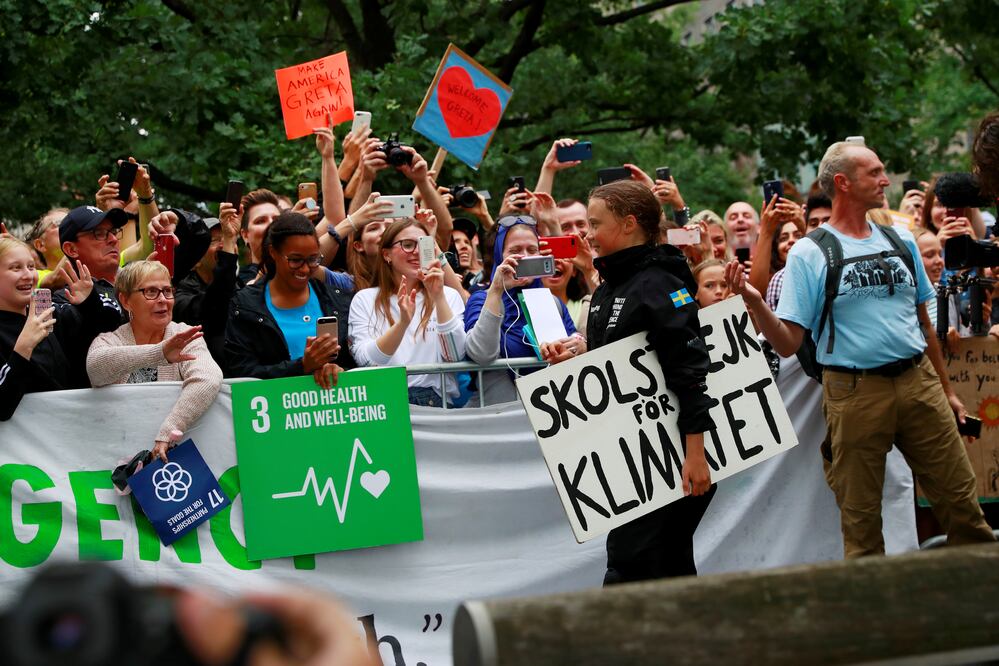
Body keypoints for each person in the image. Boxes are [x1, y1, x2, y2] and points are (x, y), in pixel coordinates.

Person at [725, 140, 995, 558]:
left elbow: (924, 322)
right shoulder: (809, 252)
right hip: (854, 393)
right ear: (843, 183)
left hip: (918, 381)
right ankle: (872, 619)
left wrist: (946, 390)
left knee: (963, 508)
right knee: (862, 526)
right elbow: (789, 343)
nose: (885, 180)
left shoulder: (900, 238)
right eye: (875, 172)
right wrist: (756, 303)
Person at [582, 180, 716, 584]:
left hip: (673, 458)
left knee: (635, 565)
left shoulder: (660, 281)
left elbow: (689, 370)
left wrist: (696, 455)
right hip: (633, 458)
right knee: (661, 567)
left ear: (628, 224)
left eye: (594, 223)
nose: (587, 234)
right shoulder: (609, 285)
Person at [87, 261, 222, 462]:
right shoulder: (110, 340)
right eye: (151, 292)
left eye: (167, 291)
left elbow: (208, 379)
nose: (163, 300)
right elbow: (96, 369)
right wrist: (161, 352)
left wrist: (168, 433)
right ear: (125, 301)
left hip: (175, 458)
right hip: (114, 458)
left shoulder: (183, 335)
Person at [464, 215, 582, 405]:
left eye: (532, 250)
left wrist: (577, 346)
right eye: (515, 250)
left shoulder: (551, 301)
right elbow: (481, 354)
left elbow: (574, 344)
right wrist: (496, 290)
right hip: (499, 420)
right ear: (499, 256)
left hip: (551, 415)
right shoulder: (482, 299)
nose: (525, 256)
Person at [0, 237, 121, 420]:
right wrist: (23, 348)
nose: (28, 275)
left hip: (73, 432)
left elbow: (111, 332)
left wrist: (89, 303)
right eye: (15, 268)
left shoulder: (49, 311)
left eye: (31, 267)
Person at [348, 218, 465, 406]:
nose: (417, 251)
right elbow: (367, 361)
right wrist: (402, 324)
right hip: (384, 401)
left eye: (423, 244)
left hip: (434, 402)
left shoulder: (448, 295)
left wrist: (438, 297)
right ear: (386, 254)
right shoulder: (365, 299)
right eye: (407, 245)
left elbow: (455, 355)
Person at [226, 212, 352, 385]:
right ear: (273, 252)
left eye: (313, 260)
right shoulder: (244, 305)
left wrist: (339, 369)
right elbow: (241, 372)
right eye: (295, 260)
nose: (305, 269)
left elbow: (356, 358)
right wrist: (302, 366)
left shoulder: (337, 299)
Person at [172, 206, 241, 367]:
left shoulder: (241, 287)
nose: (224, 245)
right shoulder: (177, 294)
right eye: (215, 240)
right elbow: (214, 307)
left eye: (228, 237)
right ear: (195, 260)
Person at [24, 207, 69, 290]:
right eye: (60, 223)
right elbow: (54, 280)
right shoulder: (34, 276)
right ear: (40, 245)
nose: (71, 229)